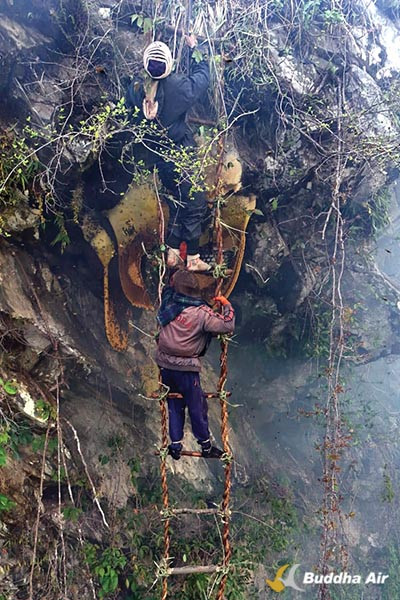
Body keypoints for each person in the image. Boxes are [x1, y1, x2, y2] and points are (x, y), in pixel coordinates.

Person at [126, 37, 211, 272]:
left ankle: (173, 252)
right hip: (180, 153)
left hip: (157, 157)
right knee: (195, 201)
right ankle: (192, 257)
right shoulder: (177, 88)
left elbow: (128, 113)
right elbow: (203, 78)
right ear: (169, 65)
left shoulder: (135, 88)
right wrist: (196, 49)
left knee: (176, 200)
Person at [156, 270, 235, 459]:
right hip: (186, 369)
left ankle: (175, 445)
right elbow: (227, 325)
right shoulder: (202, 313)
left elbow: (167, 288)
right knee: (196, 406)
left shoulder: (168, 303)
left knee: (174, 403)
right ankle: (206, 446)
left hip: (164, 364)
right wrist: (226, 304)